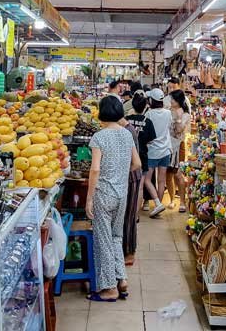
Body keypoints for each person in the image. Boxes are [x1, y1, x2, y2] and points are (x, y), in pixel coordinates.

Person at [86, 96, 142, 302]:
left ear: (101, 113)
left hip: (104, 194)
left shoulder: (99, 137)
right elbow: (137, 164)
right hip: (122, 194)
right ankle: (122, 279)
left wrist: (89, 199)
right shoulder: (127, 135)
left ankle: (109, 288)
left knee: (103, 240)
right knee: (117, 237)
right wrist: (120, 173)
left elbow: (95, 170)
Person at [122, 92, 155, 265]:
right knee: (139, 187)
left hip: (128, 160)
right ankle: (136, 214)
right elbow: (151, 140)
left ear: (133, 105)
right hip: (142, 157)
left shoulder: (127, 121)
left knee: (131, 188)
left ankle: (129, 214)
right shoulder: (147, 122)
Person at [141, 88, 172, 218]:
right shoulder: (168, 113)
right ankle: (158, 207)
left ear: (151, 100)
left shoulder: (149, 114)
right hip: (166, 150)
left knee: (147, 179)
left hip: (152, 151)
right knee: (161, 180)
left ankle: (158, 204)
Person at [167, 89, 191, 213]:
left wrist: (178, 117)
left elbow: (179, 131)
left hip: (179, 146)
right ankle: (172, 199)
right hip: (168, 146)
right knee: (168, 173)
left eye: (173, 99)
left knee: (178, 173)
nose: (171, 101)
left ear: (179, 101)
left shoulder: (185, 114)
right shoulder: (168, 112)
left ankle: (182, 201)